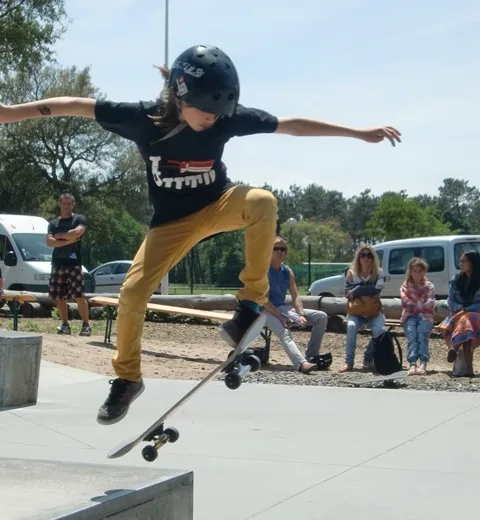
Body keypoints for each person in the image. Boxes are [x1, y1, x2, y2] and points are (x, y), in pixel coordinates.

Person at [0, 44, 401, 424]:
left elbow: (290, 125)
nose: (212, 121)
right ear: (180, 97)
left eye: (217, 115)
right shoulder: (142, 118)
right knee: (133, 293)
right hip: (171, 225)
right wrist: (11, 112)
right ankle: (127, 378)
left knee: (262, 200)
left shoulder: (225, 117)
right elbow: (74, 106)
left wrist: (357, 132)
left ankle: (249, 302)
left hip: (219, 205)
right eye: (205, 114)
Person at [263, 236, 329, 373]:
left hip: (282, 309)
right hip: (265, 311)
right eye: (276, 248)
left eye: (283, 249)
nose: (280, 251)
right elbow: (264, 300)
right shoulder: (264, 271)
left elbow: (295, 295)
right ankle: (301, 364)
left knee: (321, 317)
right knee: (285, 332)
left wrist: (301, 314)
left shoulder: (288, 271)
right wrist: (281, 317)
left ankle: (310, 356)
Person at [46, 193, 92, 336]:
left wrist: (59, 236)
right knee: (59, 297)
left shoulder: (79, 218)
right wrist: (68, 240)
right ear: (59, 203)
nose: (66, 206)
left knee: (79, 295)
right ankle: (64, 324)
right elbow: (49, 242)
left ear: (73, 204)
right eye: (64, 203)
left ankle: (86, 325)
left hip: (74, 264)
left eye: (69, 203)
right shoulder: (53, 223)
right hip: (58, 263)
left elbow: (77, 233)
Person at [340, 245, 386, 372]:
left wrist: (358, 289)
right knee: (351, 327)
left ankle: (369, 357)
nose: (366, 258)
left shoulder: (379, 272)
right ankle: (348, 363)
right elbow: (347, 294)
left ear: (373, 258)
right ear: (358, 258)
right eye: (363, 255)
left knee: (379, 330)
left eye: (369, 255)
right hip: (356, 311)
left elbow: (377, 290)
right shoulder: (351, 273)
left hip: (374, 311)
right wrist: (364, 290)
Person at [437, 251, 480, 377]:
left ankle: (453, 348)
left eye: (464, 261)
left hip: (476, 314)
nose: (460, 264)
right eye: (460, 261)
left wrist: (466, 310)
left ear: (473, 263)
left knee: (468, 318)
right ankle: (469, 368)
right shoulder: (455, 280)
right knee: (466, 327)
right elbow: (450, 300)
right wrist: (460, 308)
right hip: (460, 315)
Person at [400, 257, 435, 375]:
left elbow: (430, 303)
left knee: (422, 335)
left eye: (420, 271)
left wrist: (416, 305)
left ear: (424, 271)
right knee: (412, 336)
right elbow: (406, 303)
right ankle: (412, 364)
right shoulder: (405, 286)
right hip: (409, 316)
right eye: (414, 271)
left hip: (426, 316)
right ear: (410, 271)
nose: (417, 274)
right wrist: (420, 304)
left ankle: (423, 364)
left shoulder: (429, 286)